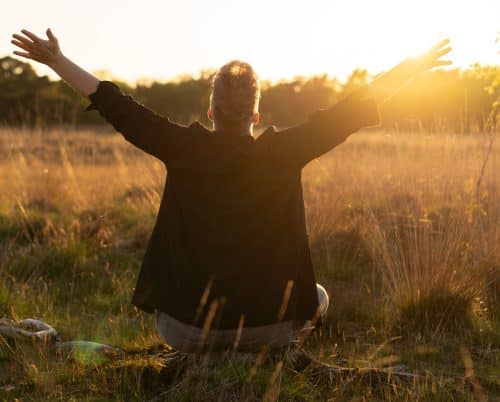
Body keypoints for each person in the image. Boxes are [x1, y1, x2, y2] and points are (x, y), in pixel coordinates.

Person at [11, 29, 451, 353]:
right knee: (318, 296)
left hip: (186, 333)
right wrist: (413, 68)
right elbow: (351, 110)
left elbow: (115, 104)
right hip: (272, 330)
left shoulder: (181, 146)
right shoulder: (286, 150)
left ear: (210, 110)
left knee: (178, 312)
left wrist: (56, 60)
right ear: (256, 116)